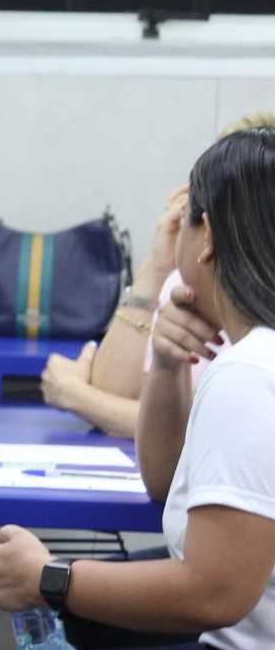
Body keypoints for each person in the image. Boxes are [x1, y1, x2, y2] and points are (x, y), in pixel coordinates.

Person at [0, 128, 275, 650]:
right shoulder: (241, 356)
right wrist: (173, 365)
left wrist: (51, 578)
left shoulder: (251, 374)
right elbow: (163, 479)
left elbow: (214, 593)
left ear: (204, 240)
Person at [41, 113, 274, 437]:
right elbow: (117, 393)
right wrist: (156, 266)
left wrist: (77, 396)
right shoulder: (187, 287)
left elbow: (197, 427)